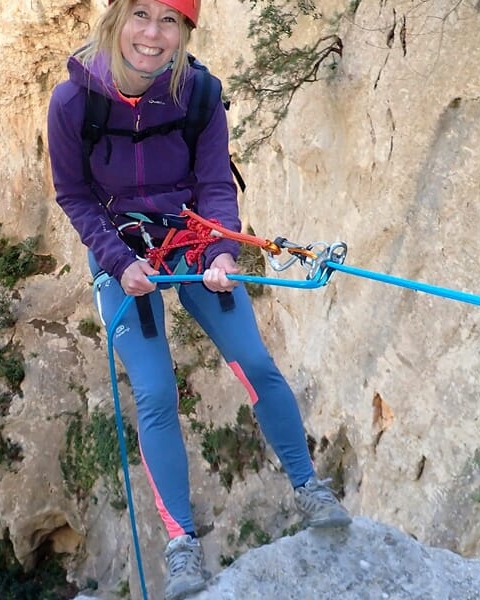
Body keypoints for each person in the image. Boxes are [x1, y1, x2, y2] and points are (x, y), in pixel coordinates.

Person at [47, 1, 352, 598]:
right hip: (121, 247)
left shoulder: (201, 94)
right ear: (114, 21)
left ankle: (309, 487)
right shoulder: (72, 103)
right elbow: (73, 194)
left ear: (185, 32)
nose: (153, 34)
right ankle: (182, 545)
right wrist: (118, 261)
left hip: (191, 237)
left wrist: (220, 253)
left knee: (254, 362)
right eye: (141, 14)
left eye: (170, 20)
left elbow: (215, 181)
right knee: (156, 391)